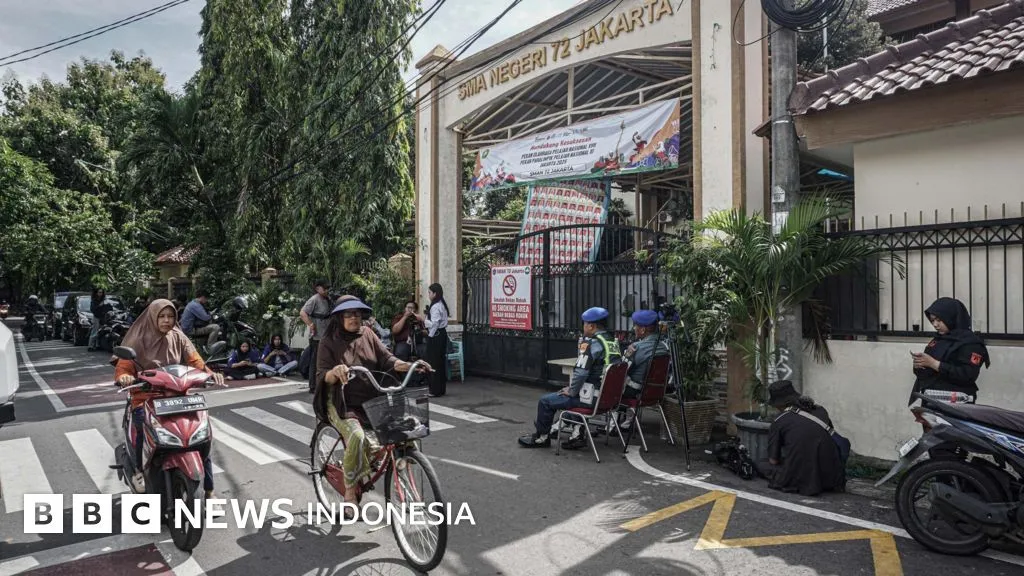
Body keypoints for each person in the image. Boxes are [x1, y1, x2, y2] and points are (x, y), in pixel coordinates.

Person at [313, 296, 430, 510]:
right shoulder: (328, 341)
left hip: (372, 398)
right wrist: (335, 371)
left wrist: (408, 365)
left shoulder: (367, 333)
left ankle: (396, 477)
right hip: (341, 402)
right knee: (357, 437)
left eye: (357, 313)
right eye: (348, 314)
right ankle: (350, 491)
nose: (354, 318)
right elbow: (322, 375)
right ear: (339, 318)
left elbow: (387, 359)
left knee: (404, 431)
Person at [113, 299, 225, 498]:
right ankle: (139, 470)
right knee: (141, 424)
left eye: (171, 316)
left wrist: (210, 373)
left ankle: (209, 489)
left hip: (178, 396)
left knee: (201, 436)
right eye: (162, 316)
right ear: (153, 317)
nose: (167, 320)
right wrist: (124, 377)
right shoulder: (137, 339)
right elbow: (123, 367)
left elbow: (195, 360)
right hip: (146, 397)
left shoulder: (179, 337)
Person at [519, 307, 622, 449]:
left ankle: (542, 438)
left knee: (546, 401)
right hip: (609, 399)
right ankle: (577, 435)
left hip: (591, 398)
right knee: (569, 398)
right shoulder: (612, 342)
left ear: (591, 326)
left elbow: (580, 373)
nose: (583, 327)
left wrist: (572, 390)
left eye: (584, 324)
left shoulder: (591, 343)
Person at [758, 380, 846, 497]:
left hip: (803, 480)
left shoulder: (779, 420)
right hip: (833, 476)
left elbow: (773, 460)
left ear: (779, 404)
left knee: (760, 463)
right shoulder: (821, 410)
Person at [911, 297, 991, 405]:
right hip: (931, 399)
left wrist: (934, 364)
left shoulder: (970, 343)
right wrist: (919, 365)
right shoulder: (938, 340)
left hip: (956, 403)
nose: (935, 325)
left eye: (939, 320)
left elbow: (968, 375)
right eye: (932, 320)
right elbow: (925, 373)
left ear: (951, 318)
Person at [617, 309, 670, 430]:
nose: (633, 328)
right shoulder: (664, 347)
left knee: (610, 385)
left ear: (642, 330)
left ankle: (612, 425)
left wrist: (626, 355)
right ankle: (627, 421)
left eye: (635, 325)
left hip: (634, 392)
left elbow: (621, 370)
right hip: (654, 392)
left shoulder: (637, 348)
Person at [301, 279, 332, 393]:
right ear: (318, 289)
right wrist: (311, 324)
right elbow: (303, 313)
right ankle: (313, 386)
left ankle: (323, 383)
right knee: (315, 361)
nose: (327, 291)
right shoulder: (314, 299)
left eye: (328, 288)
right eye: (325, 289)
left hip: (327, 335)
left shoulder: (328, 299)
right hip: (317, 336)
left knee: (325, 361)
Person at [423, 283, 450, 397]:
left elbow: (434, 324)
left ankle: (434, 390)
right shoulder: (441, 304)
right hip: (442, 334)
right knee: (439, 362)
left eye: (429, 292)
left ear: (435, 293)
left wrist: (430, 335)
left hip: (436, 335)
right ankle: (440, 389)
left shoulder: (435, 306)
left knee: (433, 362)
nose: (428, 295)